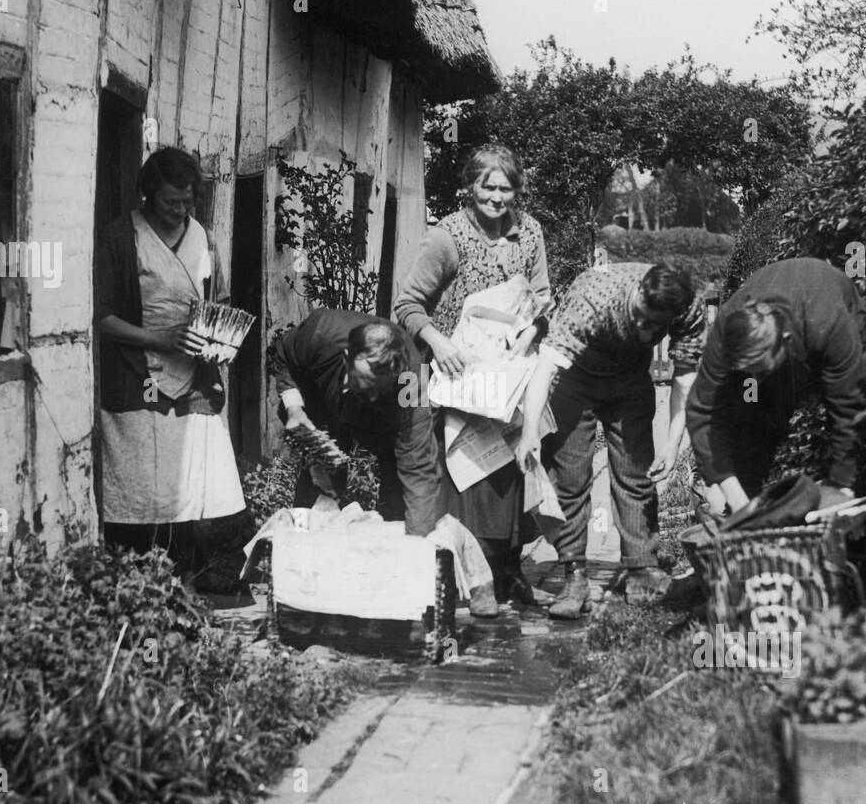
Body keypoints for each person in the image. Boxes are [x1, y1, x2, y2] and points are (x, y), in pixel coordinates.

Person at [392, 145, 552, 609]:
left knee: (516, 471)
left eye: (506, 188)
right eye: (489, 187)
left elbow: (543, 298)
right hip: (458, 372)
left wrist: (531, 333)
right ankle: (475, 575)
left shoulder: (530, 234)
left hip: (510, 371)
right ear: (471, 187)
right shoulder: (447, 237)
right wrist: (439, 345)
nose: (498, 197)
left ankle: (511, 573)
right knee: (474, 476)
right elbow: (407, 305)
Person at [271, 308, 498, 617]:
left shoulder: (409, 382)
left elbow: (417, 468)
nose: (374, 397)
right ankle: (299, 592)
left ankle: (401, 591)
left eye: (381, 389)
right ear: (347, 357)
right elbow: (282, 355)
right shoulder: (319, 335)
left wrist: (416, 551)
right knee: (317, 495)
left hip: (389, 431)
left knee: (402, 512)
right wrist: (294, 407)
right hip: (326, 405)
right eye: (367, 386)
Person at [515, 261, 706, 619]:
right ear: (636, 294)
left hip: (631, 379)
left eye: (655, 326)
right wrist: (529, 434)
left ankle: (641, 570)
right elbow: (545, 370)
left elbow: (684, 380)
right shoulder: (591, 299)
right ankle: (573, 574)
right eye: (640, 317)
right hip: (576, 380)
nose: (644, 330)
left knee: (636, 475)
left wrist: (672, 443)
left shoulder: (688, 307)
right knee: (570, 477)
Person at [94, 147, 245, 579]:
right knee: (138, 485)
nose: (180, 210)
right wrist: (160, 339)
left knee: (197, 485)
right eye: (169, 202)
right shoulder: (122, 237)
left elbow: (220, 301)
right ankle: (136, 578)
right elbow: (100, 317)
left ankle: (192, 576)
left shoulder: (205, 239)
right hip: (136, 374)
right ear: (147, 195)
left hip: (194, 377)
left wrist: (219, 338)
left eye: (187, 201)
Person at [685, 257, 866, 516]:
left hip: (825, 306)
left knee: (850, 411)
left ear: (784, 341)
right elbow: (702, 410)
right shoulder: (729, 327)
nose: (755, 380)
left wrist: (843, 485)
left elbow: (848, 407)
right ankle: (747, 505)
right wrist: (726, 486)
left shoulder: (829, 325)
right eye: (748, 371)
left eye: (760, 369)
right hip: (785, 324)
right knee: (752, 415)